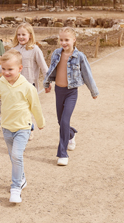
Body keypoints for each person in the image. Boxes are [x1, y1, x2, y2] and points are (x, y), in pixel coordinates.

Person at [0, 50, 45, 204]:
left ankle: (16, 187)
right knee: (13, 157)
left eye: (10, 69)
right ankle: (22, 178)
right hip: (7, 128)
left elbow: (35, 106)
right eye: (3, 69)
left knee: (16, 155)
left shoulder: (28, 87)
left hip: (23, 127)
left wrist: (40, 122)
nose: (6, 72)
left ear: (20, 69)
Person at [43, 27, 99, 166]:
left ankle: (62, 153)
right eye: (61, 40)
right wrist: (47, 83)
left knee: (64, 120)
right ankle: (71, 134)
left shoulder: (80, 56)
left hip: (71, 93)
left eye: (66, 40)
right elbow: (51, 70)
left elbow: (87, 75)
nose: (63, 42)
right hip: (59, 91)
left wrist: (94, 91)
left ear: (74, 40)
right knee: (60, 121)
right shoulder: (56, 53)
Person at [0, 23, 48, 140]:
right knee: (18, 108)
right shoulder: (13, 50)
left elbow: (44, 67)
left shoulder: (35, 49)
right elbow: (4, 65)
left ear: (30, 35)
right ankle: (17, 129)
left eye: (24, 34)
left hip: (30, 84)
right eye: (19, 34)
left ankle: (29, 129)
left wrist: (47, 82)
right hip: (15, 85)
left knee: (27, 109)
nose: (21, 37)